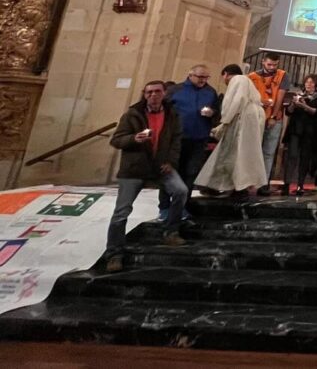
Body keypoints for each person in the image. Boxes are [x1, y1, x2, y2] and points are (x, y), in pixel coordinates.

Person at [105, 80, 187, 272]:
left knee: (181, 191)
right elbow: (116, 140)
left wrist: (171, 162)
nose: (153, 95)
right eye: (149, 92)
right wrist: (133, 139)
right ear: (144, 94)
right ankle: (114, 253)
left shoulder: (172, 115)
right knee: (121, 212)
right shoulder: (132, 114)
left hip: (160, 166)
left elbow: (176, 141)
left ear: (164, 93)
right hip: (134, 168)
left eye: (157, 91)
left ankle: (171, 230)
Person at [195, 65, 268, 196]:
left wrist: (225, 121)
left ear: (226, 74)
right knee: (244, 153)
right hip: (252, 117)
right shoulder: (248, 81)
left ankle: (236, 186)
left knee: (233, 151)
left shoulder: (238, 79)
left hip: (242, 117)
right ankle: (235, 185)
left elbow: (236, 100)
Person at [161, 64, 218, 221]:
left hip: (199, 138)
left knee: (191, 173)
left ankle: (182, 206)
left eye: (206, 77)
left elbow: (217, 113)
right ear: (190, 75)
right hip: (177, 139)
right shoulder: (176, 90)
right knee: (171, 173)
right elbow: (163, 110)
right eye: (200, 77)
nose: (203, 80)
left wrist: (212, 113)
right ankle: (164, 207)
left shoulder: (210, 92)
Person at [248, 54, 289, 195]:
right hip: (256, 117)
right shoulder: (252, 77)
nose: (272, 67)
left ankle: (263, 184)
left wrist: (272, 116)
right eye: (269, 64)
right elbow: (248, 96)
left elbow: (280, 97)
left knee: (269, 152)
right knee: (252, 151)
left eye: (275, 65)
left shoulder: (282, 75)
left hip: (274, 118)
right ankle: (247, 182)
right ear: (263, 62)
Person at [283, 74, 317, 196]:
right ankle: (286, 183)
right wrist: (294, 104)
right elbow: (288, 112)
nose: (309, 84)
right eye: (307, 82)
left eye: (312, 82)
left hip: (309, 132)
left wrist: (304, 106)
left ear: (316, 84)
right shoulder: (298, 95)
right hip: (295, 130)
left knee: (305, 158)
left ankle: (300, 184)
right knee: (292, 156)